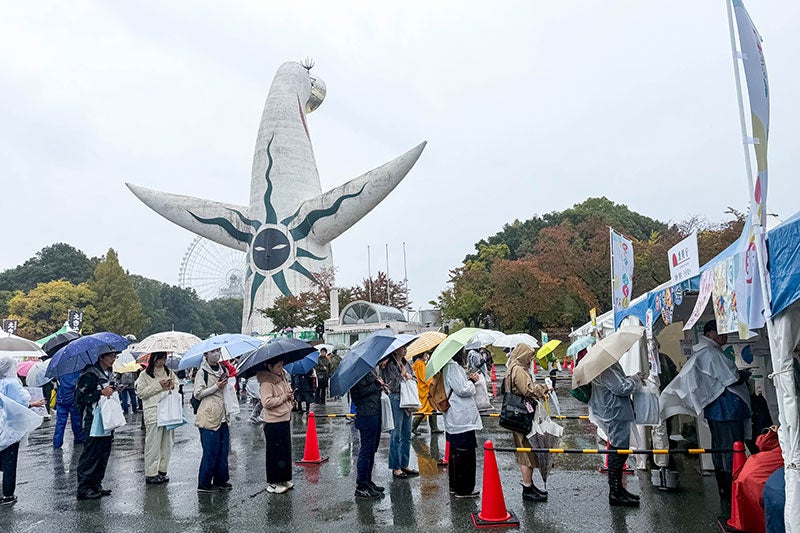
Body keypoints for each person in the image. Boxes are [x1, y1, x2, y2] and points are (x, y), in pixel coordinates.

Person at [589, 358, 645, 507]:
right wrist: (635, 379)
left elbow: (619, 383)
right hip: (614, 412)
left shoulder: (606, 365)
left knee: (619, 450)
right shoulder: (605, 367)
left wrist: (632, 378)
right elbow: (620, 387)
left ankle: (618, 489)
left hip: (615, 412)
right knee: (618, 451)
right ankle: (615, 492)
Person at [503, 344, 550, 502]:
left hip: (516, 413)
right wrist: (543, 388)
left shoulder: (512, 367)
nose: (531, 359)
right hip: (521, 415)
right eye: (530, 356)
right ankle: (527, 487)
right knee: (525, 451)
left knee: (526, 449)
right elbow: (527, 390)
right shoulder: (519, 370)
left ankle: (530, 485)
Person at [74, 348, 121, 500]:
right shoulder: (90, 374)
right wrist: (100, 393)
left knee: (104, 452)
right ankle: (84, 487)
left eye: (115, 356)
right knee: (91, 452)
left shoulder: (110, 372)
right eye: (110, 356)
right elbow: (80, 398)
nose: (113, 359)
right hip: (93, 418)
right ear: (101, 357)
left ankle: (96, 483)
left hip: (107, 417)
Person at [0, 355, 47, 505]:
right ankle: (8, 494)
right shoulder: (11, 383)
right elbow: (19, 404)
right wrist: (34, 404)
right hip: (9, 428)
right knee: (9, 462)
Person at [442, 349, 482, 497]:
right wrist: (472, 381)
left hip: (455, 416)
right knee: (464, 454)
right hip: (460, 416)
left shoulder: (447, 366)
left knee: (455, 453)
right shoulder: (452, 367)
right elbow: (462, 389)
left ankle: (455, 485)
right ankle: (463, 489)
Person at [135, 351, 179, 485]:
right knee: (153, 443)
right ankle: (151, 473)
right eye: (159, 359)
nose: (161, 362)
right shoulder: (144, 375)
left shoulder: (170, 372)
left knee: (167, 443)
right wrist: (159, 385)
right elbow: (141, 393)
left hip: (168, 412)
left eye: (164, 359)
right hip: (153, 412)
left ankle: (162, 470)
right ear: (153, 359)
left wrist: (172, 386)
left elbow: (177, 386)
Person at [193, 348, 232, 493]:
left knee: (223, 451)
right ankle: (204, 483)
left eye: (218, 351)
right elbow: (198, 394)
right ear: (206, 354)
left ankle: (221, 480)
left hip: (223, 415)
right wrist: (216, 386)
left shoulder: (224, 370)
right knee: (210, 451)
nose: (216, 354)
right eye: (212, 351)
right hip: (208, 415)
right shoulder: (202, 372)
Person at [380, 345, 418, 479]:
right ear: (395, 350)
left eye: (406, 347)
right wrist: (402, 376)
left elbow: (414, 379)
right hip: (395, 398)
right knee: (396, 434)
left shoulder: (406, 363)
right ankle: (396, 467)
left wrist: (410, 377)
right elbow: (391, 386)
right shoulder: (388, 364)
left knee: (407, 433)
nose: (405, 349)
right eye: (403, 348)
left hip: (407, 399)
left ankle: (404, 463)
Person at [258, 359, 294, 494]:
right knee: (274, 453)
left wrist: (289, 395)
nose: (281, 368)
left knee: (284, 451)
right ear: (270, 366)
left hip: (285, 417)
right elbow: (266, 402)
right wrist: (284, 397)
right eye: (278, 366)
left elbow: (286, 393)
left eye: (282, 365)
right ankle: (273, 482)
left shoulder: (282, 377)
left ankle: (284, 478)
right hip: (273, 421)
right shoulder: (266, 382)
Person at [350, 367, 385, 499]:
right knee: (365, 451)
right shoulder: (356, 373)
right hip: (366, 414)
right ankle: (361, 486)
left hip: (374, 411)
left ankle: (368, 482)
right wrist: (376, 384)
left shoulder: (369, 370)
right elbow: (357, 394)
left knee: (371, 450)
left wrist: (379, 385)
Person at [411, 351, 442, 436]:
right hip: (424, 390)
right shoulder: (420, 364)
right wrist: (432, 383)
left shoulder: (421, 363)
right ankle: (413, 427)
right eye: (425, 354)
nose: (426, 356)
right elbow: (425, 378)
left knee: (432, 407)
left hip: (425, 390)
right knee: (423, 410)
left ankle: (434, 428)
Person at [52, 370, 84, 449]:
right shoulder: (78, 371)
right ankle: (78, 437)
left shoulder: (60, 370)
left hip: (61, 398)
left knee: (60, 422)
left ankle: (57, 442)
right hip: (73, 398)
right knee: (76, 420)